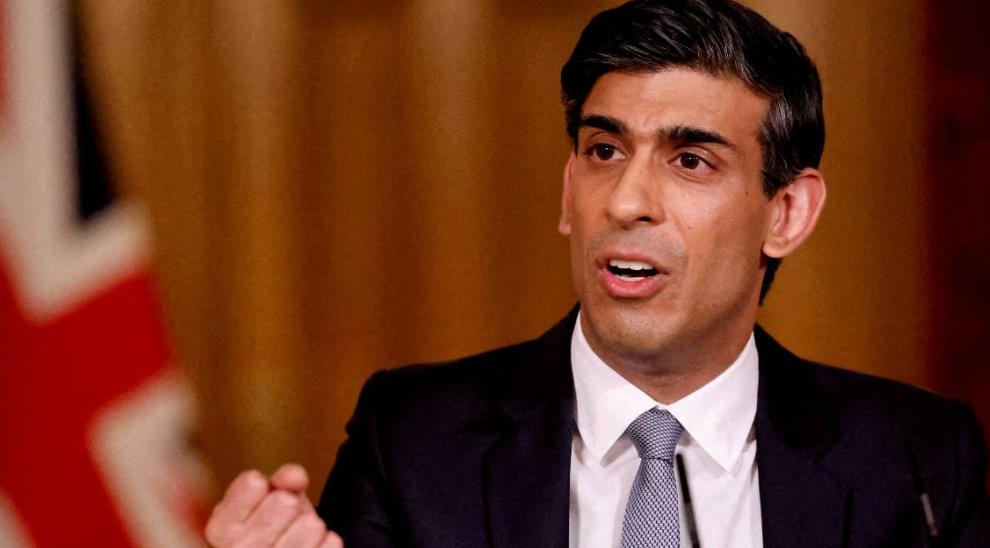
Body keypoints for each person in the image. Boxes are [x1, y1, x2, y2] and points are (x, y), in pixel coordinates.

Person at [205, 0, 990, 546]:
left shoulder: (918, 463)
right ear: (567, 191)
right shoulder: (414, 442)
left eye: (690, 161)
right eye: (604, 151)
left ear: (786, 214)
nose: (626, 200)